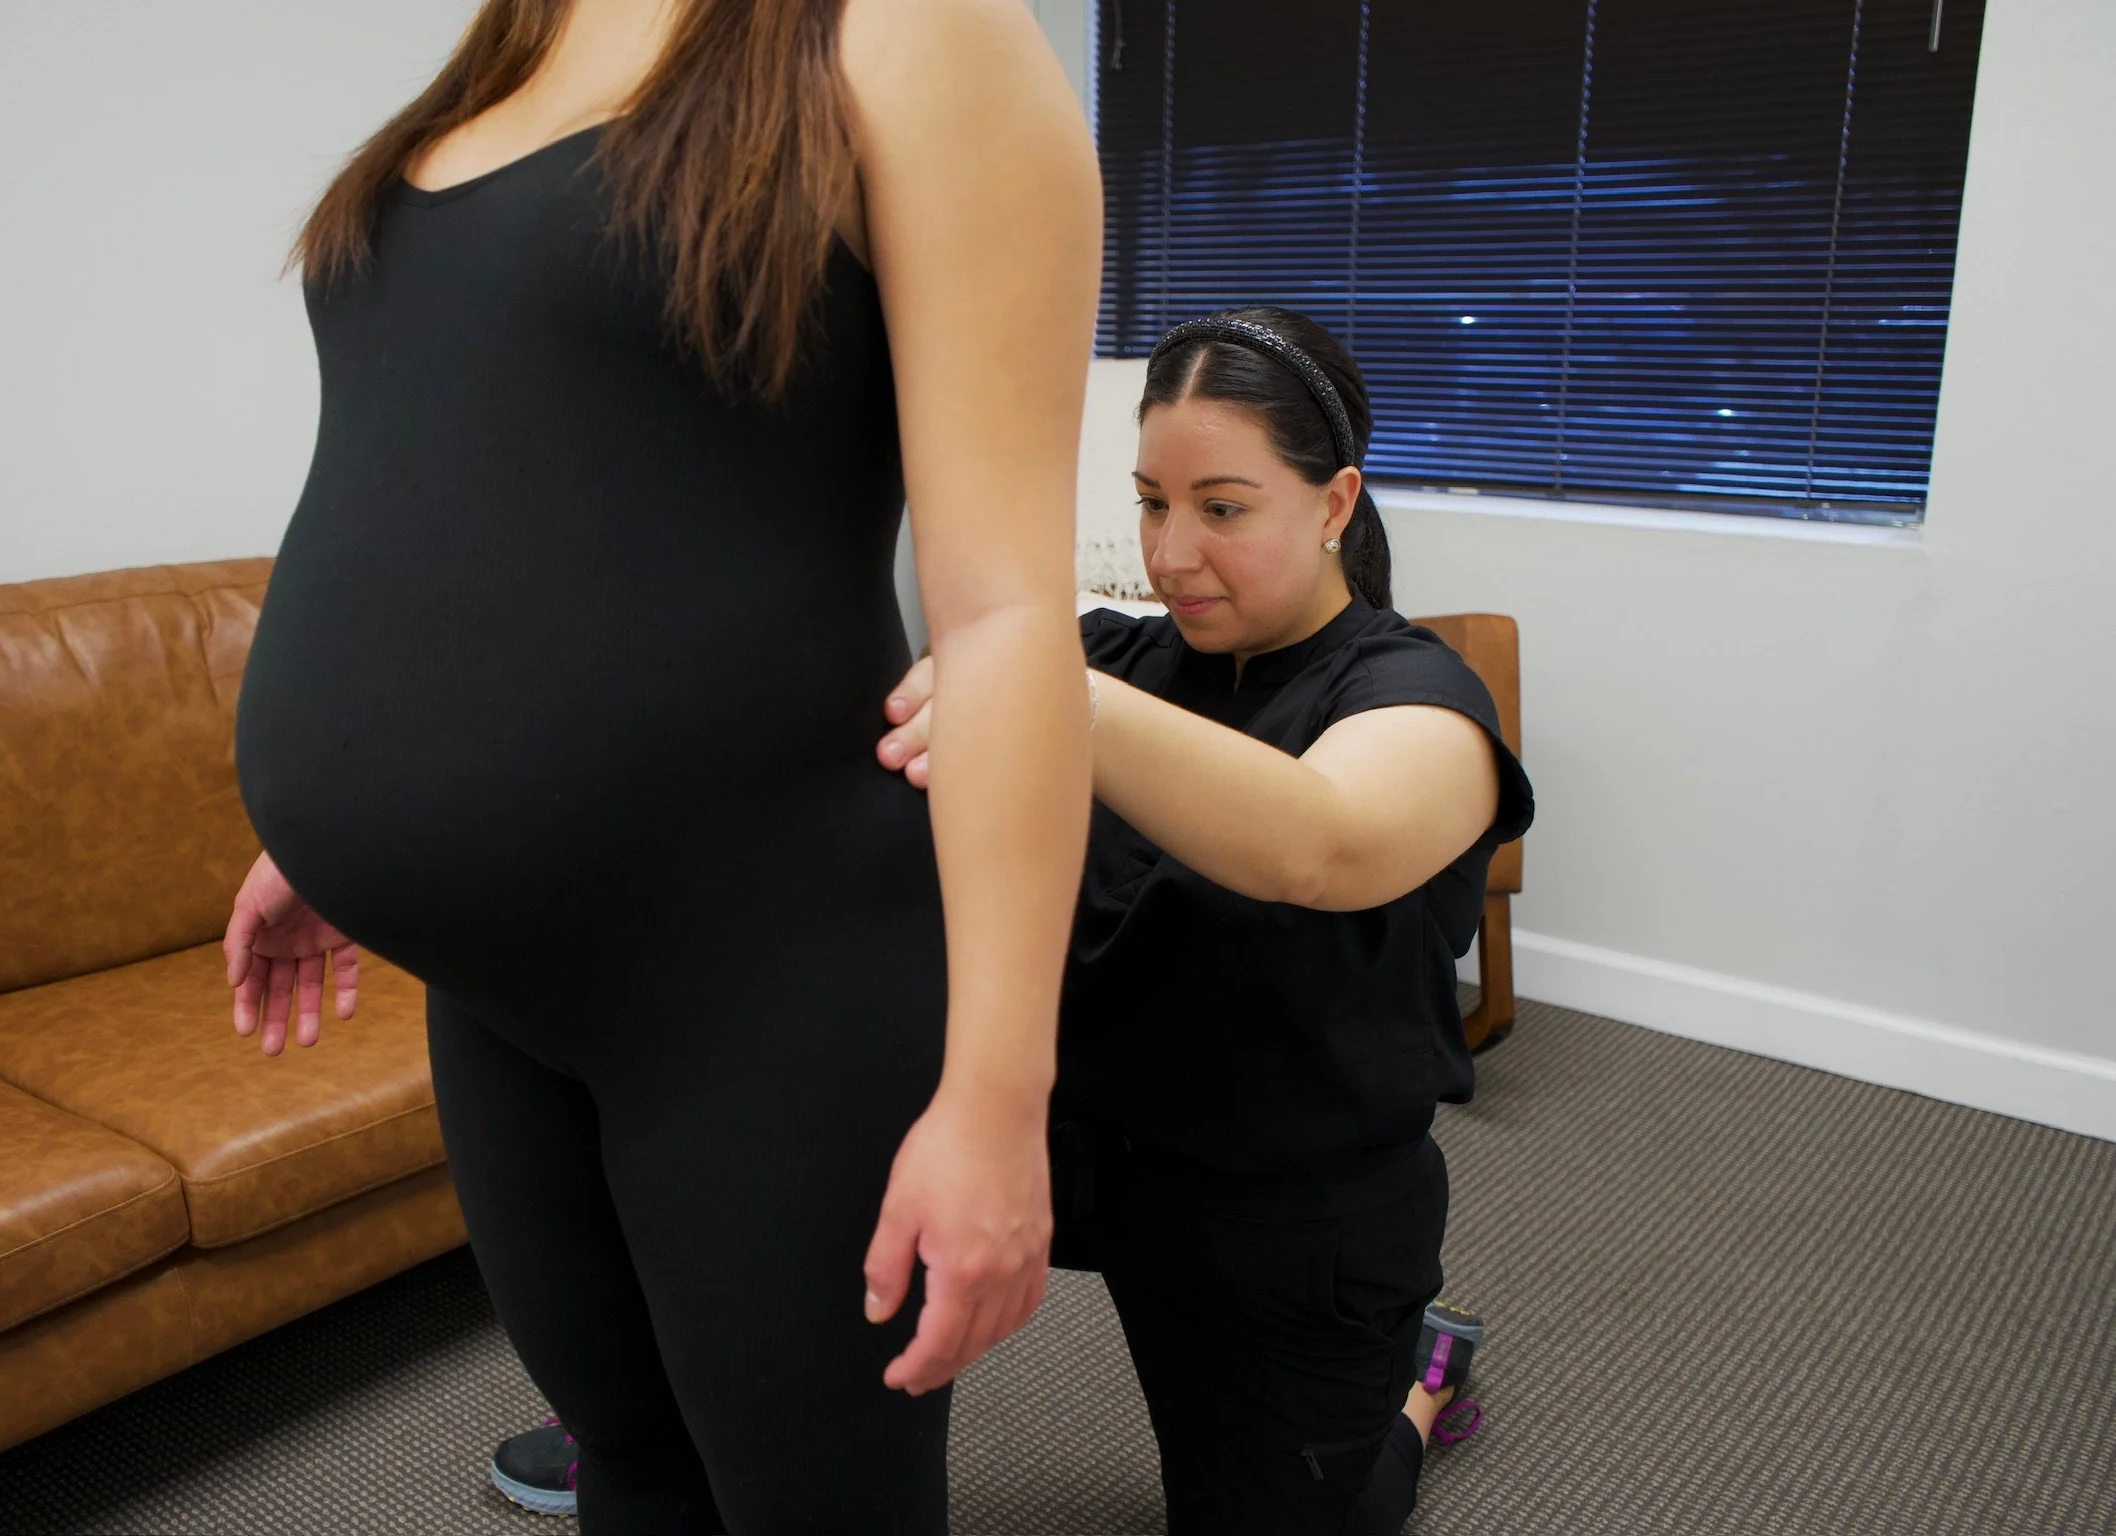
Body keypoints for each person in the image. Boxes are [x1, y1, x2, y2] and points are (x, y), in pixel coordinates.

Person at [220, 0, 1099, 1529]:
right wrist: (341, 821)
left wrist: (998, 1097)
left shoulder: (908, 28)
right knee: (629, 1466)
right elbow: (478, 453)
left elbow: (1008, 615)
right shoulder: (524, 27)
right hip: (499, 985)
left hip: (762, 972)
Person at [489, 304, 1534, 1530]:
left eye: (1223, 507)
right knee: (792, 1174)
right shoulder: (1111, 657)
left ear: (1334, 502)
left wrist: (1043, 688)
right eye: (1151, 501)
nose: (1171, 553)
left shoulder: (1421, 704)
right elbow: (830, 766)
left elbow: (1324, 843)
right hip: (1066, 1137)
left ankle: (1419, 1382)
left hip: (1280, 1206)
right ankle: (667, 1423)